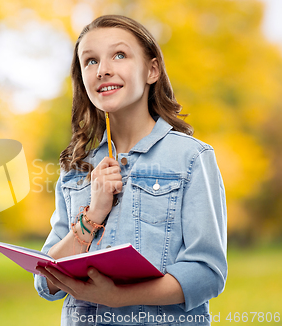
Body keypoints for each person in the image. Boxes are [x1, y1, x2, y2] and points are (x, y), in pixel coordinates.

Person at [34, 15, 227, 326]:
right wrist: (93, 215)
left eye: (119, 55)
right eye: (90, 61)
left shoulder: (191, 158)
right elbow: (47, 281)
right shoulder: (75, 169)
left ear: (152, 70)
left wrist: (120, 297)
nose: (103, 69)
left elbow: (207, 273)